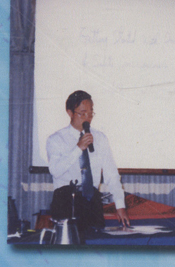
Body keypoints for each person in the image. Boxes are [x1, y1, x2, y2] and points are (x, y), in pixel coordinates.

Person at [46, 90, 129, 229]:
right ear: (70, 113)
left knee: (96, 240)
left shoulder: (100, 138)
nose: (87, 118)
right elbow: (55, 170)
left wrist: (120, 205)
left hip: (92, 202)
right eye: (82, 113)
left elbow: (111, 174)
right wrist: (78, 148)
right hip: (65, 201)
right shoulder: (56, 139)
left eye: (90, 113)